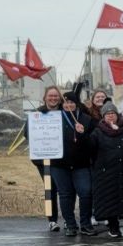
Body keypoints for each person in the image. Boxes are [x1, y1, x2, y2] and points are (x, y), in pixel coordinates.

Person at [89, 103, 123, 238]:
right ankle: (113, 228)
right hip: (106, 173)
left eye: (113, 113)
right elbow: (90, 148)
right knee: (109, 201)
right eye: (107, 114)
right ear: (103, 117)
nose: (110, 116)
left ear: (117, 115)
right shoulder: (97, 132)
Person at [47, 89, 96, 237]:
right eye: (66, 102)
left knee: (86, 192)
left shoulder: (87, 119)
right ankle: (70, 224)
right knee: (65, 194)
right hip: (59, 164)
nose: (68, 105)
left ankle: (85, 224)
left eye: (72, 102)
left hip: (81, 164)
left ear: (76, 103)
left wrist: (83, 134)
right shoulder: (53, 118)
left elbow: (93, 144)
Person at [28, 85, 63, 232]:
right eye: (50, 96)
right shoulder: (37, 114)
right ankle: (52, 220)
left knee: (65, 189)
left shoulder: (65, 113)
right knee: (50, 189)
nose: (53, 98)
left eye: (56, 96)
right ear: (45, 98)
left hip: (62, 159)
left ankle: (68, 218)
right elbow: (27, 133)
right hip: (44, 159)